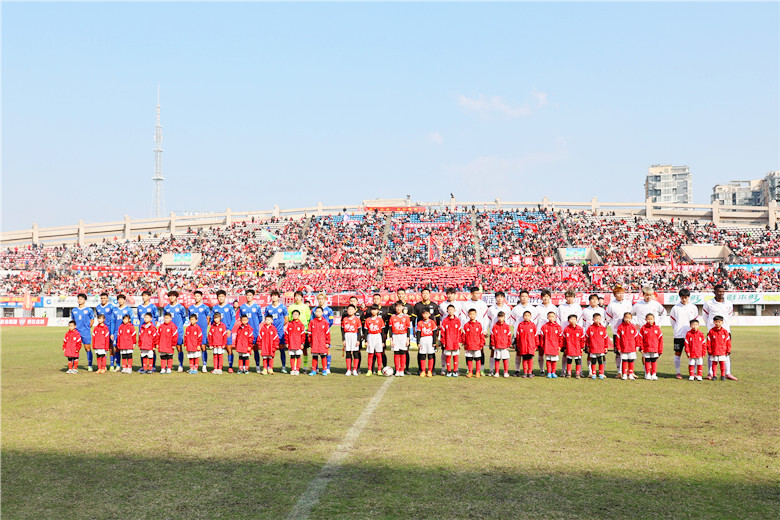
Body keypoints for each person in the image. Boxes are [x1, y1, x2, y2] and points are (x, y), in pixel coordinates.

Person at [702, 285, 737, 380]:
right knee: (711, 352)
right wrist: (710, 327)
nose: (721, 293)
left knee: (726, 352)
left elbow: (729, 316)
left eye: (722, 291)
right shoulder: (708, 303)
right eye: (719, 291)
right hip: (712, 332)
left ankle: (727, 373)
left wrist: (724, 326)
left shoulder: (729, 303)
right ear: (714, 292)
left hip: (725, 331)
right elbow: (705, 317)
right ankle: (710, 373)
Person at [669, 288, 699, 379]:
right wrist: (677, 329)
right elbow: (673, 321)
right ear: (680, 297)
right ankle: (678, 372)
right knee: (678, 353)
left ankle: (692, 372)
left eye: (686, 297)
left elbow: (695, 321)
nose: (684, 299)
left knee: (692, 354)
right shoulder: (675, 308)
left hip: (691, 335)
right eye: (682, 297)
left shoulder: (693, 307)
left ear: (689, 297)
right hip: (679, 335)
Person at [460, 287, 489, 376]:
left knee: (481, 350)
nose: (478, 295)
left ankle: (481, 369)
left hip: (479, 330)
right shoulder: (466, 304)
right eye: (476, 293)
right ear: (472, 293)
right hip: (469, 330)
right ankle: (469, 370)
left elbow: (485, 318)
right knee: (468, 351)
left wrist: (484, 329)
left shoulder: (483, 304)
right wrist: (465, 328)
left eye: (479, 293)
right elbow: (463, 318)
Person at [605, 286, 633, 378]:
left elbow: (630, 315)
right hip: (617, 331)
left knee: (629, 351)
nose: (620, 295)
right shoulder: (611, 305)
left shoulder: (628, 303)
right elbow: (608, 318)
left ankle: (630, 371)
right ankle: (619, 371)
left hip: (628, 332)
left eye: (622, 293)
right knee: (618, 352)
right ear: (614, 295)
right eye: (618, 293)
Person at [413, 288, 441, 375]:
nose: (425, 295)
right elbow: (414, 317)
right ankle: (421, 369)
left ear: (429, 295)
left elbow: (438, 317)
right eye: (423, 293)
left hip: (431, 331)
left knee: (431, 352)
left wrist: (438, 327)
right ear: (421, 295)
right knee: (421, 352)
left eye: (427, 293)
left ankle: (432, 369)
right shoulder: (417, 305)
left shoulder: (434, 305)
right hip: (421, 332)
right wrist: (414, 328)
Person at [510, 290, 536, 376]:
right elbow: (513, 322)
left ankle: (530, 370)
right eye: (522, 296)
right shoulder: (515, 309)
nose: (524, 298)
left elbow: (535, 322)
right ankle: (517, 370)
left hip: (530, 336)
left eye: (526, 296)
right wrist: (516, 334)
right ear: (519, 297)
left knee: (529, 353)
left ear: (528, 297)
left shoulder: (533, 309)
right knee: (518, 352)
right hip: (519, 334)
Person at [488, 291, 513, 376]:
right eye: (497, 297)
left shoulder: (507, 309)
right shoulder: (491, 308)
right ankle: (492, 370)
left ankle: (506, 371)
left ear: (504, 298)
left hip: (504, 334)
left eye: (501, 297)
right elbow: (489, 320)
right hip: (494, 334)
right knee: (493, 353)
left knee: (505, 354)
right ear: (495, 298)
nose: (499, 299)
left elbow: (509, 320)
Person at [163, 291, 189, 372]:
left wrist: (179, 327)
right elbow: (165, 318)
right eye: (170, 296)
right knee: (167, 349)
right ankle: (167, 366)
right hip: (168, 332)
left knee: (179, 348)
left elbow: (184, 318)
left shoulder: (180, 307)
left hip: (178, 331)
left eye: (173, 296)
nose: (171, 298)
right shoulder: (166, 308)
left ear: (176, 297)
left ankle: (180, 364)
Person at [264, 290, 289, 373]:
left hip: (280, 332)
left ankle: (283, 366)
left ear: (278, 297)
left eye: (275, 295)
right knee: (269, 349)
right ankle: (268, 367)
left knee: (282, 348)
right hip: (270, 332)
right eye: (272, 295)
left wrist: (280, 326)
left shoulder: (283, 307)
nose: (274, 297)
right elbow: (266, 319)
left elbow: (286, 319)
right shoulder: (268, 308)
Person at [212, 290, 236, 373]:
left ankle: (230, 366)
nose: (221, 298)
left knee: (229, 349)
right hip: (217, 333)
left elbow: (233, 319)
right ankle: (217, 367)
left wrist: (230, 329)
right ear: (217, 298)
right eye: (219, 296)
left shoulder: (229, 307)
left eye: (222, 296)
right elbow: (212, 320)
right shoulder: (215, 308)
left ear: (225, 297)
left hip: (227, 332)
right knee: (216, 351)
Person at [240, 289, 263, 373]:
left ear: (253, 296)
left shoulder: (256, 307)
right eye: (247, 295)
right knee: (244, 349)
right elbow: (240, 319)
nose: (248, 296)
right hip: (244, 332)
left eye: (250, 295)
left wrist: (255, 325)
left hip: (255, 331)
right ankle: (244, 367)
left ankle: (257, 366)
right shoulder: (242, 307)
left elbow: (260, 319)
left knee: (256, 349)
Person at [189, 290, 212, 373]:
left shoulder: (205, 307)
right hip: (193, 332)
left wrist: (204, 326)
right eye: (195, 296)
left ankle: (204, 365)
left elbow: (208, 318)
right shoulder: (191, 308)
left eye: (198, 296)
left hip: (202, 331)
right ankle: (193, 366)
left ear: (201, 297)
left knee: (203, 347)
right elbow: (190, 319)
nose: (196, 298)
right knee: (193, 348)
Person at [438, 289, 460, 375]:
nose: (450, 295)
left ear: (455, 295)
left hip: (455, 332)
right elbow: (440, 317)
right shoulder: (443, 305)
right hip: (445, 331)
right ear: (446, 295)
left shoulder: (459, 305)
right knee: (444, 351)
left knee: (455, 353)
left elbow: (461, 318)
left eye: (452, 294)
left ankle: (455, 369)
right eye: (448, 294)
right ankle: (444, 368)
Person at [70, 293, 94, 372]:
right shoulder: (74, 310)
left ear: (84, 300)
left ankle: (90, 365)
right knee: (75, 349)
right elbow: (72, 321)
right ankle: (74, 366)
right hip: (76, 332)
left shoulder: (89, 310)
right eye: (78, 299)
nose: (79, 300)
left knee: (87, 348)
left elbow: (92, 320)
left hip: (85, 332)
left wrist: (87, 327)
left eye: (81, 299)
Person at [288, 291, 312, 371]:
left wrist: (307, 330)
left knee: (304, 350)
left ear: (302, 297)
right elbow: (290, 319)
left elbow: (308, 318)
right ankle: (294, 368)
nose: (297, 298)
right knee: (294, 351)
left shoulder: (305, 307)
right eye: (296, 296)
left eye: (299, 296)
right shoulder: (291, 307)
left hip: (303, 332)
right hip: (294, 333)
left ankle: (305, 367)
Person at [136, 290, 159, 372]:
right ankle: (143, 366)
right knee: (143, 349)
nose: (143, 297)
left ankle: (152, 366)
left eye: (145, 296)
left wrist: (152, 327)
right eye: (143, 296)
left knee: (152, 349)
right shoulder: (139, 307)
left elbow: (156, 318)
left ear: (149, 297)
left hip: (150, 332)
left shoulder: (153, 307)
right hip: (142, 331)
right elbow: (139, 318)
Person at [584, 312, 610, 380]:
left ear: (601, 319)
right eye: (596, 319)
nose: (597, 320)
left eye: (599, 319)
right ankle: (594, 373)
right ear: (593, 319)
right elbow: (587, 338)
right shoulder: (590, 328)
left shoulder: (603, 328)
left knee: (600, 361)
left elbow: (606, 339)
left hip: (600, 348)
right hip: (593, 348)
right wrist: (588, 346)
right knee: (593, 361)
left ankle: (601, 373)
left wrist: (606, 347)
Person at [389, 301, 411, 376]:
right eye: (397, 307)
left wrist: (408, 339)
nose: (398, 308)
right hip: (395, 336)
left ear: (402, 307)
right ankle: (397, 370)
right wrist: (391, 339)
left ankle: (402, 369)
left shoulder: (406, 317)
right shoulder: (392, 317)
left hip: (403, 336)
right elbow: (390, 329)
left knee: (403, 353)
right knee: (396, 353)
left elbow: (408, 329)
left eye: (400, 306)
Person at [307, 306, 331, 376]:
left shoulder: (325, 322)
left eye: (319, 311)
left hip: (322, 342)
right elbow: (309, 333)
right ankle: (314, 370)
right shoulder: (312, 322)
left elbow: (328, 333)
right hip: (314, 342)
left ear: (322, 313)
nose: (318, 313)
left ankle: (324, 370)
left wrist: (327, 342)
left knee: (323, 356)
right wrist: (310, 341)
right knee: (315, 356)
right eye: (316, 311)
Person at [615, 312, 639, 380]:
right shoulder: (620, 327)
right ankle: (624, 374)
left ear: (631, 319)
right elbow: (618, 339)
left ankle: (631, 374)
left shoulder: (633, 327)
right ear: (623, 318)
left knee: (631, 361)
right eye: (626, 317)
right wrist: (618, 347)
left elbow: (637, 338)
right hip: (624, 348)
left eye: (629, 318)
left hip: (631, 348)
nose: (627, 319)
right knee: (624, 361)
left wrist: (637, 346)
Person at [95, 292, 116, 371]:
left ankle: (111, 365)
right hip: (101, 331)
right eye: (102, 298)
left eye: (104, 298)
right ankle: (103, 366)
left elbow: (112, 319)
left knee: (110, 347)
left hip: (109, 329)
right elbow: (98, 317)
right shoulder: (98, 307)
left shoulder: (111, 307)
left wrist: (112, 332)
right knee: (102, 347)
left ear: (107, 299)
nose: (103, 300)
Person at [639, 313, 663, 380]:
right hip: (646, 348)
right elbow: (640, 339)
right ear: (645, 319)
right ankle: (648, 374)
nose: (650, 320)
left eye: (651, 319)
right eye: (648, 319)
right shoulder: (643, 328)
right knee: (647, 361)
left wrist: (660, 350)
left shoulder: (657, 328)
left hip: (655, 348)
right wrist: (641, 348)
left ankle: (654, 374)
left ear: (654, 319)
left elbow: (660, 340)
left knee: (654, 361)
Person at [707, 316, 732, 381]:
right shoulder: (711, 331)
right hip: (714, 351)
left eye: (719, 322)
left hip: (722, 351)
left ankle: (723, 375)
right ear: (713, 322)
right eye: (716, 322)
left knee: (722, 363)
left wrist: (728, 350)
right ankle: (714, 375)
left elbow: (728, 341)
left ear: (722, 322)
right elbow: (708, 341)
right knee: (714, 363)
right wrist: (709, 350)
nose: (717, 323)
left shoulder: (725, 332)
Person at [315, 293, 335, 372]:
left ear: (325, 299)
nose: (320, 300)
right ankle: (315, 368)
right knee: (315, 350)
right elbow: (312, 320)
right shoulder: (314, 310)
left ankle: (327, 368)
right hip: (316, 333)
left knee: (327, 350)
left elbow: (331, 321)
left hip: (325, 333)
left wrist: (325, 329)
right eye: (319, 299)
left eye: (322, 298)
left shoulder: (329, 310)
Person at [539, 311, 563, 379]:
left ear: (555, 317)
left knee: (554, 360)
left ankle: (553, 372)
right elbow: (542, 337)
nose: (551, 318)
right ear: (547, 317)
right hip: (547, 346)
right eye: (549, 316)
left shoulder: (558, 327)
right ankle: (549, 372)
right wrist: (542, 345)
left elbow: (561, 338)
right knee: (548, 360)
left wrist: (559, 346)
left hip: (555, 346)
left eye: (552, 316)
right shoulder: (544, 326)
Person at [415, 308, 438, 377]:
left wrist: (434, 342)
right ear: (422, 314)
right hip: (423, 339)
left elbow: (434, 333)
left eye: (427, 314)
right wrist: (418, 342)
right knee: (422, 355)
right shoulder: (420, 323)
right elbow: (418, 333)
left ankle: (430, 371)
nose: (425, 315)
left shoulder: (432, 322)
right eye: (424, 314)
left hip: (430, 339)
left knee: (430, 355)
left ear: (429, 314)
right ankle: (423, 371)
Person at [363, 305, 386, 376]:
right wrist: (366, 341)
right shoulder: (368, 320)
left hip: (378, 336)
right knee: (370, 354)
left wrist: (383, 341)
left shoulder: (380, 319)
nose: (374, 311)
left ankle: (379, 370)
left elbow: (382, 331)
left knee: (379, 354)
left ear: (378, 311)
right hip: (370, 336)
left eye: (375, 310)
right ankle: (369, 369)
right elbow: (366, 331)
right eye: (372, 310)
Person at [341, 304, 363, 376]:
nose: (350, 311)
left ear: (354, 310)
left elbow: (359, 331)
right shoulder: (345, 319)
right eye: (349, 309)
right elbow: (342, 330)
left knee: (355, 353)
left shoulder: (357, 319)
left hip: (354, 336)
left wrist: (358, 340)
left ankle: (355, 369)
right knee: (348, 353)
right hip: (347, 335)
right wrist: (343, 339)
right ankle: (348, 370)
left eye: (351, 309)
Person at [462, 308, 484, 378]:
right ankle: (470, 372)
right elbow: (464, 335)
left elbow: (481, 335)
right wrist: (464, 343)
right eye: (470, 314)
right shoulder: (466, 325)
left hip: (477, 345)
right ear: (468, 315)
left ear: (476, 315)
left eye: (473, 314)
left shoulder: (479, 325)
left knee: (478, 359)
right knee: (469, 359)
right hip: (469, 345)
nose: (472, 315)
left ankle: (478, 372)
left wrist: (481, 344)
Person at [515, 310, 537, 378]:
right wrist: (518, 345)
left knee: (530, 359)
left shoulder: (533, 325)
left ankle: (530, 372)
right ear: (523, 317)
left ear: (530, 316)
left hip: (531, 345)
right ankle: (525, 372)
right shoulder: (520, 325)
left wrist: (536, 345)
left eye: (528, 315)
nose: (527, 317)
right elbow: (518, 337)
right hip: (523, 345)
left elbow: (536, 336)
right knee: (524, 359)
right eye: (525, 315)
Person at [489, 311, 512, 378]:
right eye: (499, 317)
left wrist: (508, 345)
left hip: (504, 346)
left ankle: (506, 372)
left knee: (505, 360)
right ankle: (497, 372)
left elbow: (509, 336)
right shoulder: (495, 326)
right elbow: (492, 336)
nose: (500, 318)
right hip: (497, 346)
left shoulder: (507, 326)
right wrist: (493, 344)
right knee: (497, 359)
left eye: (502, 317)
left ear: (504, 317)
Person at [284, 309, 306, 375]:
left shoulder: (301, 325)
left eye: (296, 314)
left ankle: (297, 369)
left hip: (298, 344)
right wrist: (287, 342)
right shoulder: (290, 324)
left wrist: (302, 343)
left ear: (299, 316)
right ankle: (293, 369)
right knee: (292, 356)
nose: (295, 316)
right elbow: (286, 334)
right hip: (291, 343)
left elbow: (303, 335)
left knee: (298, 356)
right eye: (293, 314)